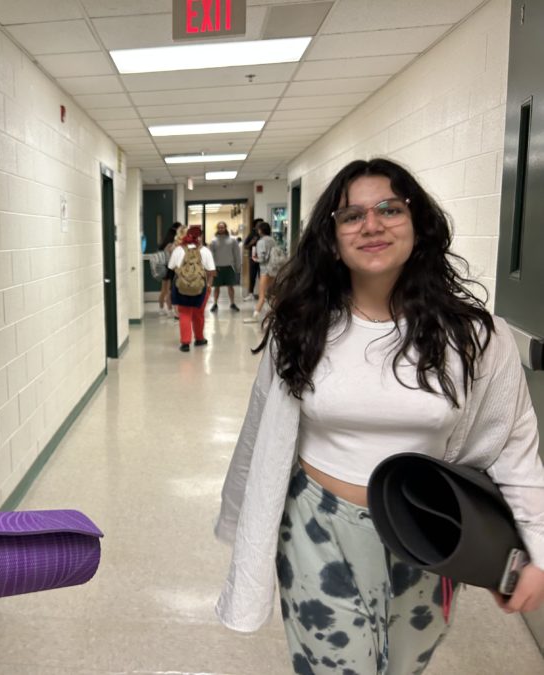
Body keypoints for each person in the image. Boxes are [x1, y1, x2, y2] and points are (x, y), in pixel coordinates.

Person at [215, 158, 544, 674]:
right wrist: (241, 518)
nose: (371, 225)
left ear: (418, 222)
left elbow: (513, 448)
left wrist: (537, 551)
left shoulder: (476, 336)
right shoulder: (301, 326)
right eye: (351, 216)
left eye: (389, 209)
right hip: (317, 527)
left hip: (427, 530)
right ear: (333, 236)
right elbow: (262, 432)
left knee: (405, 665)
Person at [167, 226, 215, 352]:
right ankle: (199, 339)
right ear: (200, 237)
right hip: (200, 287)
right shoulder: (205, 251)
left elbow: (171, 267)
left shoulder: (178, 250)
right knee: (199, 314)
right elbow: (211, 271)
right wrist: (209, 286)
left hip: (181, 286)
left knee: (184, 313)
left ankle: (185, 343)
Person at [243, 221, 276, 322]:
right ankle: (275, 314)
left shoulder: (261, 242)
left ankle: (255, 316)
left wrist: (254, 258)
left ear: (260, 230)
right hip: (273, 269)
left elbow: (262, 258)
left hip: (265, 271)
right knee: (272, 294)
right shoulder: (272, 240)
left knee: (262, 295)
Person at [209, 221, 241, 312]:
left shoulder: (232, 240)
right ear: (217, 228)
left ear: (225, 228)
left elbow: (237, 254)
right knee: (216, 287)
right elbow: (210, 255)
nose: (221, 229)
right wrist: (211, 268)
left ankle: (232, 303)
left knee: (230, 286)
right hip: (217, 267)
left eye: (222, 227)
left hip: (229, 267)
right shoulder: (213, 241)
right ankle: (215, 304)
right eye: (219, 227)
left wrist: (238, 267)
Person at [157, 222, 182, 317]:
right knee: (169, 290)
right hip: (170, 268)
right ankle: (170, 310)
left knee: (164, 290)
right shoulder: (172, 243)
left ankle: (161, 309)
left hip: (165, 267)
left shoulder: (166, 241)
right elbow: (172, 255)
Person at [242, 220, 262, 301]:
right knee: (252, 276)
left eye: (261, 224)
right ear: (255, 226)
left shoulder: (265, 234)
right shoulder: (252, 234)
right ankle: (251, 294)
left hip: (263, 258)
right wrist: (252, 242)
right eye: (259, 224)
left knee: (263, 277)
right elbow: (245, 246)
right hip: (253, 258)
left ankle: (263, 294)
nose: (260, 226)